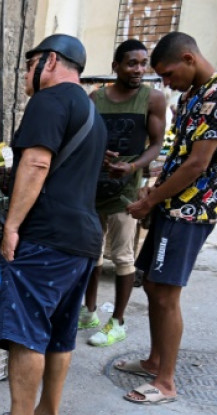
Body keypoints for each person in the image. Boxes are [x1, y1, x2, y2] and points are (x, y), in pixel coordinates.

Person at [0, 34, 106, 415]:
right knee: (59, 332)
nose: (26, 75)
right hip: (82, 239)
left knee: (27, 329)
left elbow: (36, 163)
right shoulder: (91, 112)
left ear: (48, 61)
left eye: (29, 64)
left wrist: (11, 226)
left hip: (46, 238)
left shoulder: (49, 101)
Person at [120, 32, 217, 404]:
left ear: (189, 58)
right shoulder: (194, 94)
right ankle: (155, 361)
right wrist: (154, 191)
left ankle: (166, 383)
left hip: (191, 210)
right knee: (155, 286)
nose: (166, 84)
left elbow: (196, 164)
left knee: (167, 293)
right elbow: (179, 152)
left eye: (169, 74)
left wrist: (150, 200)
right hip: (170, 203)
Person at [78, 39, 166, 347]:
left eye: (144, 63)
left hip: (125, 193)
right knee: (92, 253)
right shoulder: (95, 99)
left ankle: (117, 321)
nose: (139, 69)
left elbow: (156, 144)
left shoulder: (152, 99)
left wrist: (133, 167)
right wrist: (98, 153)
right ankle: (89, 312)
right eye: (132, 63)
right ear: (116, 66)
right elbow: (84, 139)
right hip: (92, 190)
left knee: (123, 257)